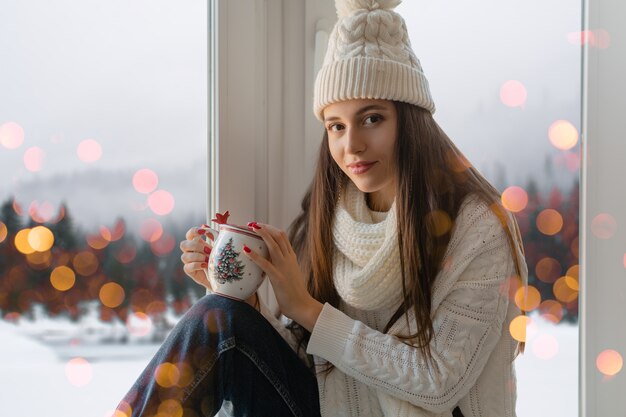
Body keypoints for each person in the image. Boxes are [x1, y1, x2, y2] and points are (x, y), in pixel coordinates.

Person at [116, 0, 528, 416]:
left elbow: (439, 381)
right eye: (336, 126)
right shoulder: (331, 217)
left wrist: (308, 309)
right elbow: (321, 363)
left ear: (411, 119)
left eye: (372, 119)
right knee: (220, 319)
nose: (351, 146)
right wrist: (249, 308)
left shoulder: (478, 226)